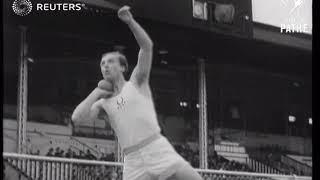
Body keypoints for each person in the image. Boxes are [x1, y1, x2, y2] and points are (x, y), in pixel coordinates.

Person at [71, 5, 203, 180]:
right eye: (102, 63)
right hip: (132, 161)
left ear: (123, 67)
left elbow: (147, 47)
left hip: (157, 148)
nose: (105, 66)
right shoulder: (102, 102)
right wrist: (96, 92)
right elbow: (77, 118)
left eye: (110, 62)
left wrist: (130, 21)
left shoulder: (136, 82)